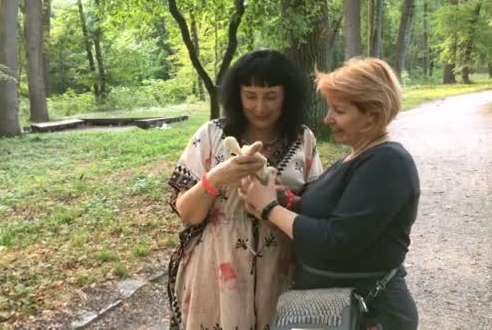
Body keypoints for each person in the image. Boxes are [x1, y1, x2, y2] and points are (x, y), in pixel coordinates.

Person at [239, 57, 420, 329]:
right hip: (332, 309)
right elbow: (331, 212)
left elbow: (337, 240)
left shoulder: (387, 163)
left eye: (339, 111)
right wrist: (286, 199)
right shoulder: (358, 155)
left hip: (367, 314)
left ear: (372, 114)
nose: (327, 119)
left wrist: (270, 210)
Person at [166, 49, 323, 330]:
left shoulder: (303, 139)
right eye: (250, 95)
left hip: (282, 271)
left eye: (271, 96)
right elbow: (188, 214)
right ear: (236, 95)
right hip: (216, 269)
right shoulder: (211, 135)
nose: (260, 107)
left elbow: (316, 209)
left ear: (288, 95)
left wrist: (282, 199)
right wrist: (216, 178)